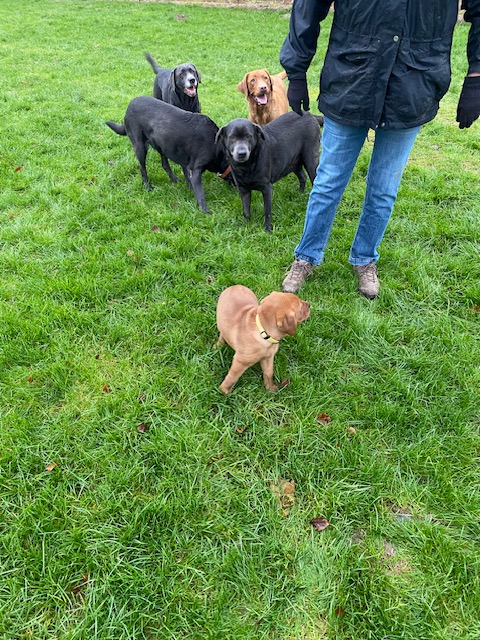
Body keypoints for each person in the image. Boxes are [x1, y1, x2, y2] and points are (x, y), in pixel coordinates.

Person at [280, 0, 480, 299]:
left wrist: (476, 76)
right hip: (352, 77)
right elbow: (308, 6)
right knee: (328, 181)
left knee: (384, 188)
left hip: (413, 83)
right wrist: (296, 71)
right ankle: (306, 256)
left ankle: (364, 258)